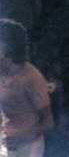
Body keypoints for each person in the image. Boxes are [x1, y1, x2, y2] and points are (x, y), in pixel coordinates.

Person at [0, 18, 53, 157]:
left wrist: (21, 137)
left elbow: (48, 122)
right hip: (6, 143)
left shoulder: (31, 77)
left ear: (9, 45)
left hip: (29, 147)